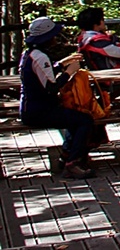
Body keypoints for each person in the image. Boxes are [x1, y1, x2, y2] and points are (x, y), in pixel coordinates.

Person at [19, 17, 100, 180]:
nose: (56, 38)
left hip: (33, 108)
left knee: (74, 117)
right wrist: (69, 72)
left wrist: (63, 63)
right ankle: (73, 163)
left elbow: (44, 73)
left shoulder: (30, 54)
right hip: (38, 112)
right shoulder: (40, 57)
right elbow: (51, 88)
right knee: (84, 120)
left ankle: (67, 155)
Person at [76, 7, 120, 71]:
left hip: (103, 71)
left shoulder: (85, 38)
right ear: (97, 23)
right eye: (102, 19)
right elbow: (119, 52)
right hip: (108, 74)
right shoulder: (95, 41)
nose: (104, 22)